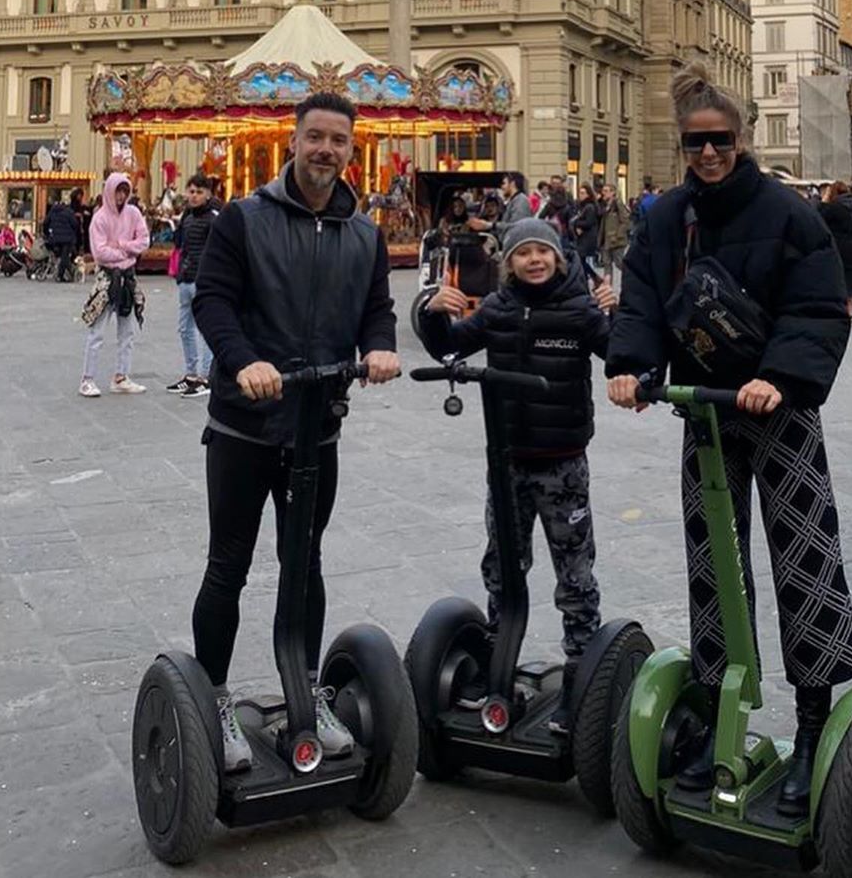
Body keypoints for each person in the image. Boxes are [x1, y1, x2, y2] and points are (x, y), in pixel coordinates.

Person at [606, 62, 852, 817]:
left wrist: (780, 374)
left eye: (719, 141)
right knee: (714, 571)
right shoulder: (663, 217)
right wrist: (629, 366)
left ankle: (813, 726)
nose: (708, 154)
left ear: (740, 138)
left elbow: (818, 305)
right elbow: (643, 296)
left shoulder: (786, 211)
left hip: (777, 413)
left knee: (804, 562)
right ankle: (722, 719)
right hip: (708, 413)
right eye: (695, 143)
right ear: (682, 144)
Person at [191, 91, 398, 772]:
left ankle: (305, 692)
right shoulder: (244, 219)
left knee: (303, 562)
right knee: (229, 564)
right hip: (244, 427)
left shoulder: (363, 234)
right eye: (316, 137)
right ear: (293, 139)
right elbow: (213, 302)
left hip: (318, 427)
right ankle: (214, 697)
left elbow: (377, 310)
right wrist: (244, 359)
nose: (326, 151)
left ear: (351, 148)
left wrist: (380, 347)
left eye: (339, 140)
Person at [418, 217, 617, 734]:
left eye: (542, 252)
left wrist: (624, 316)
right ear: (508, 261)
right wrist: (433, 315)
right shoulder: (499, 310)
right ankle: (497, 663)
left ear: (557, 257)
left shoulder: (579, 310)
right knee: (504, 568)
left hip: (563, 460)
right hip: (506, 462)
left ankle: (580, 673)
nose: (534, 260)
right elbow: (450, 347)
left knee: (574, 572)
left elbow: (620, 355)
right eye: (523, 252)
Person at [79, 172, 150, 397]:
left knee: (127, 331)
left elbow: (144, 241)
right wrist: (127, 251)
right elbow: (100, 252)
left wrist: (119, 245)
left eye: (124, 191)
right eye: (118, 191)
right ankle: (87, 379)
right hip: (107, 277)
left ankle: (122, 375)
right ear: (109, 191)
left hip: (127, 277)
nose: (121, 196)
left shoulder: (134, 213)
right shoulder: (99, 218)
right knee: (97, 330)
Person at [166, 174, 220, 398]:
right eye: (191, 191)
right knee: (185, 328)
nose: (194, 196)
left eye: (199, 192)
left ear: (208, 194)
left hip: (203, 279)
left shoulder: (215, 217)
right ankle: (191, 373)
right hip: (186, 278)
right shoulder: (187, 217)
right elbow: (181, 246)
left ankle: (206, 377)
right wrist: (180, 273)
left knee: (206, 328)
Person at [818, 181, 852, 316]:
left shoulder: (833, 207)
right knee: (851, 281)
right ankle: (851, 312)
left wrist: (824, 200)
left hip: (838, 247)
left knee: (837, 278)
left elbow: (818, 217)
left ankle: (839, 310)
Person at [597, 182, 631, 283]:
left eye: (606, 191)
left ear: (613, 193)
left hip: (616, 241)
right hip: (605, 240)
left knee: (619, 263)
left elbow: (625, 221)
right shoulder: (605, 205)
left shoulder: (618, 204)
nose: (604, 193)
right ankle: (608, 287)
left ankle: (631, 279)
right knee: (607, 265)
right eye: (603, 191)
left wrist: (618, 235)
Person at [44, 191, 81, 282]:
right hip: (67, 238)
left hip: (54, 238)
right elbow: (75, 224)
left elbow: (46, 223)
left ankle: (70, 272)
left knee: (62, 256)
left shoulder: (53, 211)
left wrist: (47, 234)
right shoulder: (69, 211)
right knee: (65, 256)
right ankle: (60, 275)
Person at [569, 183, 599, 263]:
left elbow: (589, 222)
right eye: (580, 193)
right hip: (582, 238)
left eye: (583, 193)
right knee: (581, 261)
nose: (580, 195)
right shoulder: (581, 206)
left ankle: (593, 275)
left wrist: (576, 223)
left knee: (582, 261)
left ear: (588, 194)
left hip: (587, 237)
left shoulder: (589, 207)